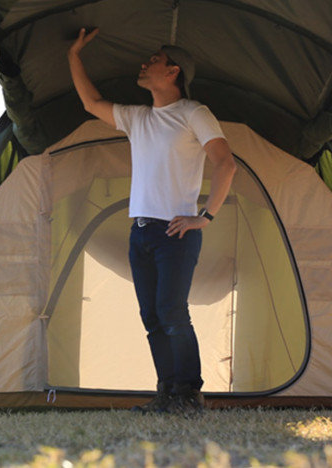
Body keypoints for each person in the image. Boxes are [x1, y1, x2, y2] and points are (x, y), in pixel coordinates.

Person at [67, 27, 236, 414]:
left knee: (172, 312)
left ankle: (189, 395)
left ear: (173, 71)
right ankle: (167, 393)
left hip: (175, 232)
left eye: (154, 60)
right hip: (140, 231)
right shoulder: (137, 117)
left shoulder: (193, 113)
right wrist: (73, 56)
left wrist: (205, 217)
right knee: (153, 317)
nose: (144, 64)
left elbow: (226, 164)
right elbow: (91, 102)